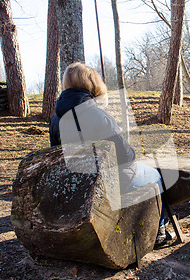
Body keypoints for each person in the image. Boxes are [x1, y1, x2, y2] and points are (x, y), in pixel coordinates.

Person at [49, 62, 172, 245]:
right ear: (91, 84)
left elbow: (57, 156)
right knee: (155, 175)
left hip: (78, 184)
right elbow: (125, 157)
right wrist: (131, 150)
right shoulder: (98, 116)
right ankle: (159, 230)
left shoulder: (55, 119)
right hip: (110, 182)